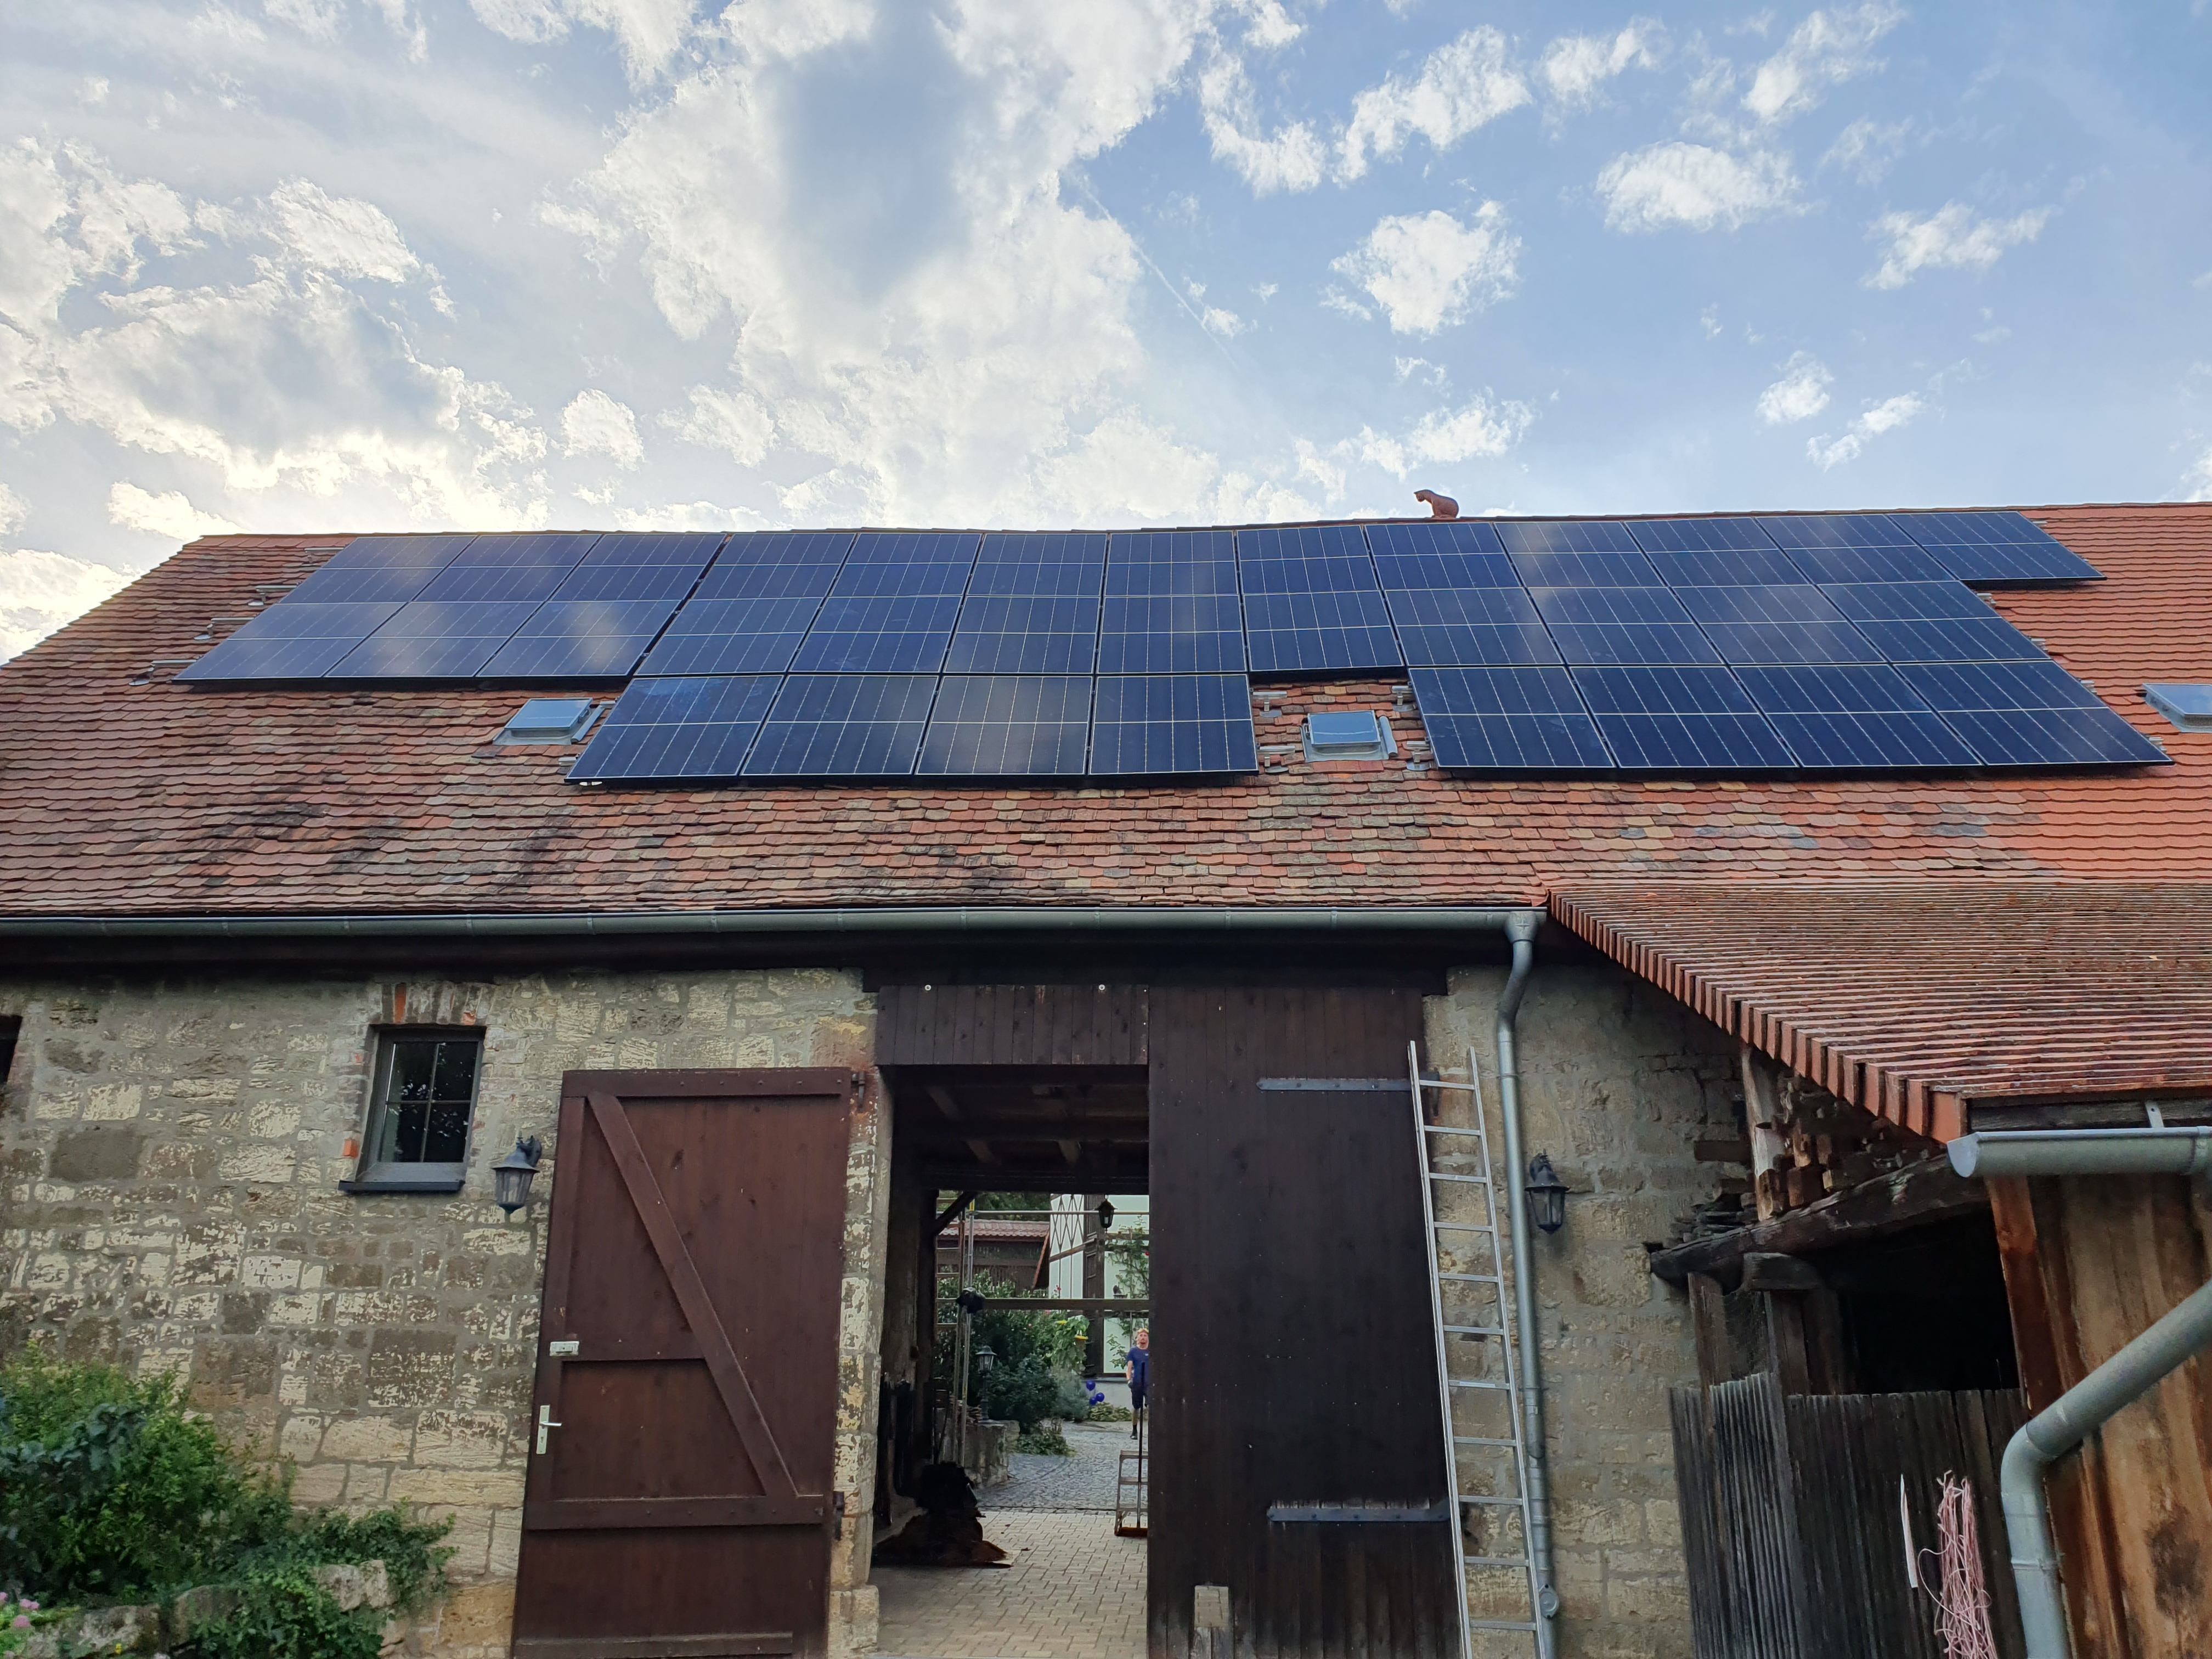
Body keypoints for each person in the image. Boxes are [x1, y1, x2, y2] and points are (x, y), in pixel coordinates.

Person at [1124, 1328, 1149, 1438]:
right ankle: (1134, 1431)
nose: (1143, 1337)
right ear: (1137, 1338)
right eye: (1141, 1336)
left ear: (1148, 1338)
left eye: (1145, 1336)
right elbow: (1129, 1367)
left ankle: (1152, 1431)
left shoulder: (1152, 1351)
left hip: (1149, 1383)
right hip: (1137, 1382)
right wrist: (1129, 1380)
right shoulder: (1133, 1351)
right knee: (1136, 1407)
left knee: (1151, 1407)